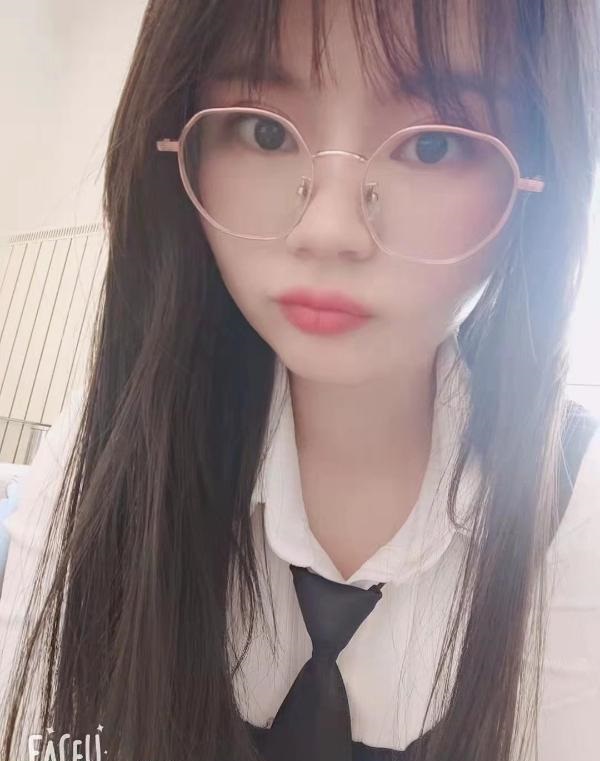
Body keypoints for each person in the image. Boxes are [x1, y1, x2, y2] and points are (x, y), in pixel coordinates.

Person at [1, 0, 600, 759]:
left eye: (435, 145)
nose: (329, 230)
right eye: (265, 131)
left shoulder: (576, 505)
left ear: (543, 175)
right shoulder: (111, 447)